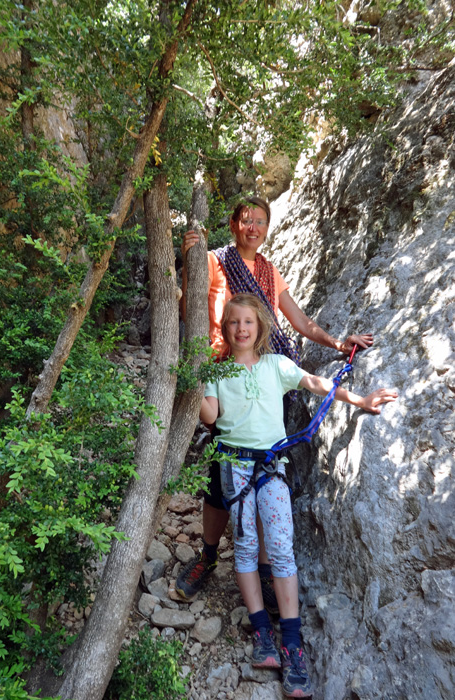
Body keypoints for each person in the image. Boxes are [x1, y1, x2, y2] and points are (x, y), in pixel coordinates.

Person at [177, 195, 374, 608]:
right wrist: (187, 264)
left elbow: (297, 319)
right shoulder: (213, 261)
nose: (253, 228)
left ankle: (263, 570)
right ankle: (210, 555)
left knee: (267, 473)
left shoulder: (268, 271)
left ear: (267, 228)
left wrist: (337, 343)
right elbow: (187, 308)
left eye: (260, 222)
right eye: (246, 220)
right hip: (222, 373)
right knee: (220, 474)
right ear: (233, 225)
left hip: (264, 371)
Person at [199, 293, 397, 697]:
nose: (241, 329)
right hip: (234, 468)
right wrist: (194, 377)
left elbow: (315, 382)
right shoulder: (216, 373)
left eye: (248, 323)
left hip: (270, 468)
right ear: (225, 329)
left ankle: (292, 643)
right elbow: (210, 416)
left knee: (281, 548)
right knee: (245, 546)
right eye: (234, 322)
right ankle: (262, 634)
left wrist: (358, 398)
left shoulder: (276, 365)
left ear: (260, 328)